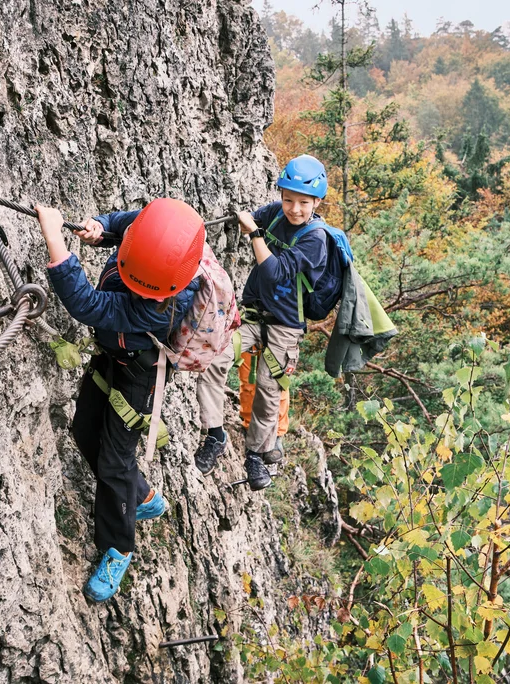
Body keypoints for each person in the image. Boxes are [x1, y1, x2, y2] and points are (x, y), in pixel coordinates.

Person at [34, 199, 204, 602]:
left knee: (115, 461)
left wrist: (55, 238)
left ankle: (119, 547)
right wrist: (100, 227)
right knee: (84, 429)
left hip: (140, 376)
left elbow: (88, 305)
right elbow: (123, 223)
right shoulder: (155, 228)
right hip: (112, 355)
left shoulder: (164, 305)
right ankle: (142, 496)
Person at [193, 155, 332, 490]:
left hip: (286, 325)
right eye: (288, 200)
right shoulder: (275, 214)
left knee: (269, 391)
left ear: (317, 202)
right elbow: (251, 219)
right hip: (253, 316)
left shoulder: (316, 239)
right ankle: (215, 435)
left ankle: (255, 455)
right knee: (213, 361)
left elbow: (273, 273)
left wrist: (254, 232)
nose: (294, 209)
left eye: (303, 203)